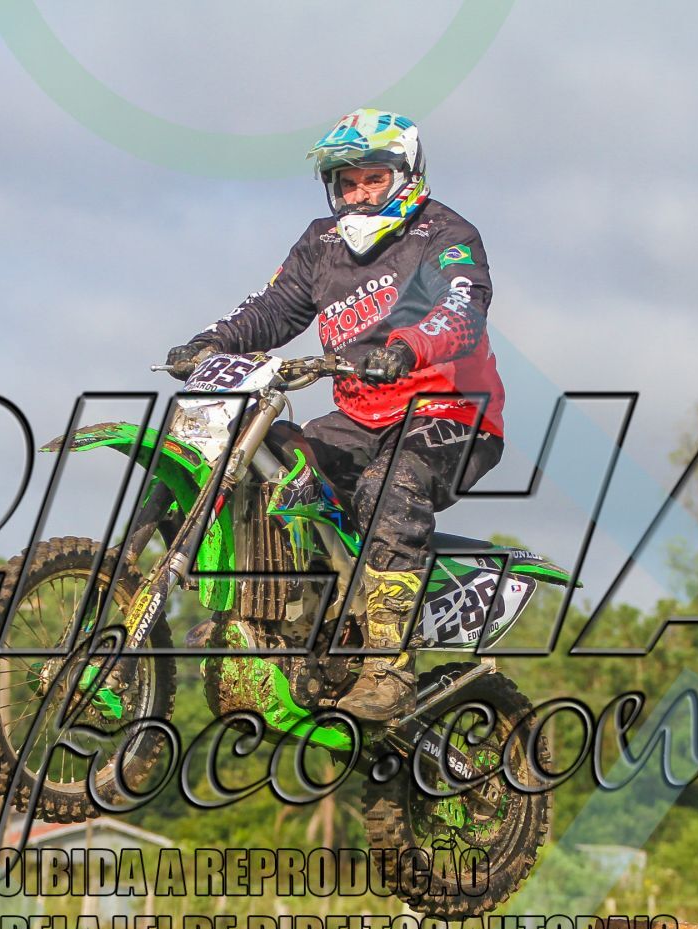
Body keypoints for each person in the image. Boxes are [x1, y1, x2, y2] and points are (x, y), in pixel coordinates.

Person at [165, 108, 506, 720]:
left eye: (372, 179)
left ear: (406, 175)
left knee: (388, 488)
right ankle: (274, 616)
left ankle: (389, 665)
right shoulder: (321, 243)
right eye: (346, 183)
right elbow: (275, 307)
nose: (358, 194)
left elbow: (464, 308)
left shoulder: (445, 233)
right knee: (266, 463)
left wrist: (407, 348)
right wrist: (212, 342)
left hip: (450, 411)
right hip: (360, 416)